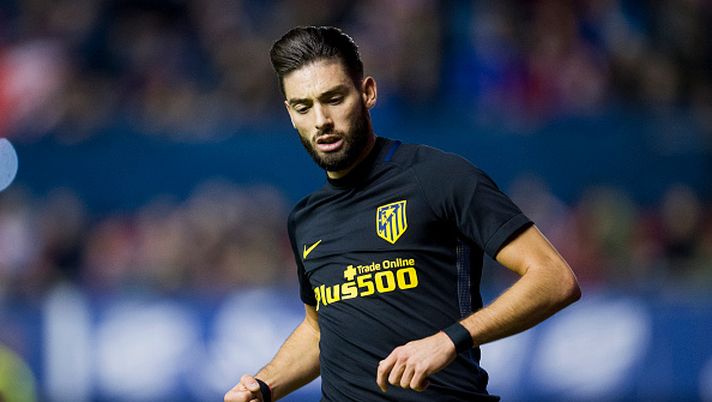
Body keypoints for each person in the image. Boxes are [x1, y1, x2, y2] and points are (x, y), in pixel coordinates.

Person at [225, 25, 580, 402]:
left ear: (367, 92)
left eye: (334, 98)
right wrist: (264, 386)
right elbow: (318, 330)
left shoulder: (438, 177)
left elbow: (554, 278)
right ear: (290, 113)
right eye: (303, 107)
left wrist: (449, 339)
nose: (321, 120)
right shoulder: (306, 220)